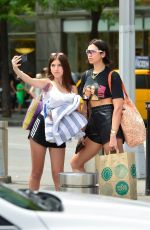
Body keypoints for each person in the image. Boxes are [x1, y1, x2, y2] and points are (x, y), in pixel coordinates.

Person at [11, 52, 87, 191]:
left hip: (59, 131)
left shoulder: (72, 88)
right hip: (41, 128)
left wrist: (82, 133)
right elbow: (30, 80)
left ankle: (61, 207)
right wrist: (16, 70)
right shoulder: (47, 83)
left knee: (58, 173)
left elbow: (77, 111)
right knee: (36, 172)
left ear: (65, 67)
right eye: (53, 65)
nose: (56, 68)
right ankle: (32, 205)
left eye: (59, 65)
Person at [70, 38, 125, 172]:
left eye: (92, 52)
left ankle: (114, 194)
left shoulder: (112, 75)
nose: (89, 54)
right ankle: (91, 193)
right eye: (87, 51)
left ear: (103, 54)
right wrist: (81, 131)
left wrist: (113, 135)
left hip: (108, 119)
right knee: (75, 163)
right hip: (93, 121)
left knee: (116, 170)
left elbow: (118, 107)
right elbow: (84, 106)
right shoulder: (86, 75)